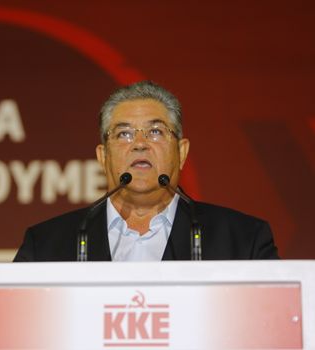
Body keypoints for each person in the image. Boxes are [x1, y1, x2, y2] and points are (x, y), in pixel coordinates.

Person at [14, 81, 279, 261]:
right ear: (103, 157)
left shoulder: (244, 241)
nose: (140, 144)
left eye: (155, 132)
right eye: (124, 134)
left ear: (182, 152)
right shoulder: (45, 245)